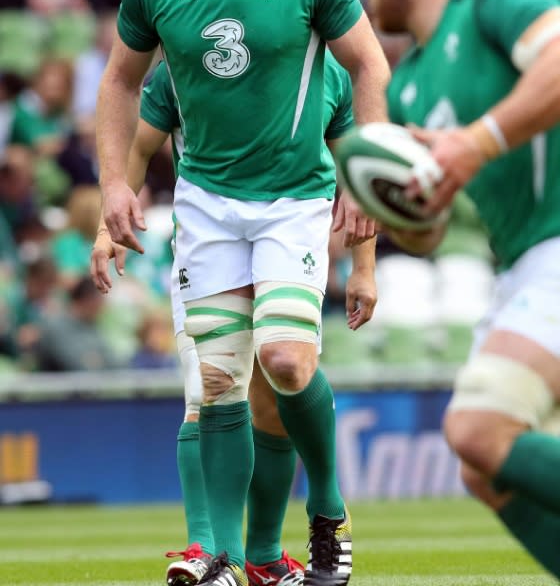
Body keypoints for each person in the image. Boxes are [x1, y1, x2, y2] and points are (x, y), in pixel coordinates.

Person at [95, 0, 389, 586]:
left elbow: (370, 67)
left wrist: (365, 181)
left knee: (286, 362)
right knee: (219, 385)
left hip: (294, 202)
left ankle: (327, 505)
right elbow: (120, 83)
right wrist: (111, 191)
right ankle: (223, 557)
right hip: (206, 208)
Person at [92, 56, 378, 586]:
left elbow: (359, 174)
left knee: (278, 384)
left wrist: (363, 266)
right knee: (210, 388)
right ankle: (211, 550)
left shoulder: (325, 67)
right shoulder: (184, 52)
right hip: (207, 237)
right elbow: (137, 144)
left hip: (287, 226)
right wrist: (108, 226)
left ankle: (267, 552)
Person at [357, 0, 560, 579]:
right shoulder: (409, 85)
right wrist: (398, 203)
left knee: (477, 429)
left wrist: (474, 143)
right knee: (486, 469)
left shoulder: (492, 0)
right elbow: (429, 235)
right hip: (523, 263)